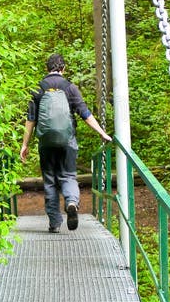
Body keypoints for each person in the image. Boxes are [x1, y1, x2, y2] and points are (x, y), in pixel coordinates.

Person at [20, 53, 112, 232]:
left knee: (49, 181)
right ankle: (71, 202)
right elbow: (85, 114)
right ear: (63, 69)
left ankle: (54, 223)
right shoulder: (70, 87)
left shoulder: (38, 88)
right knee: (68, 176)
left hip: (45, 143)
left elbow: (30, 119)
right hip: (67, 141)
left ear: (47, 69)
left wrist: (25, 144)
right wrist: (102, 133)